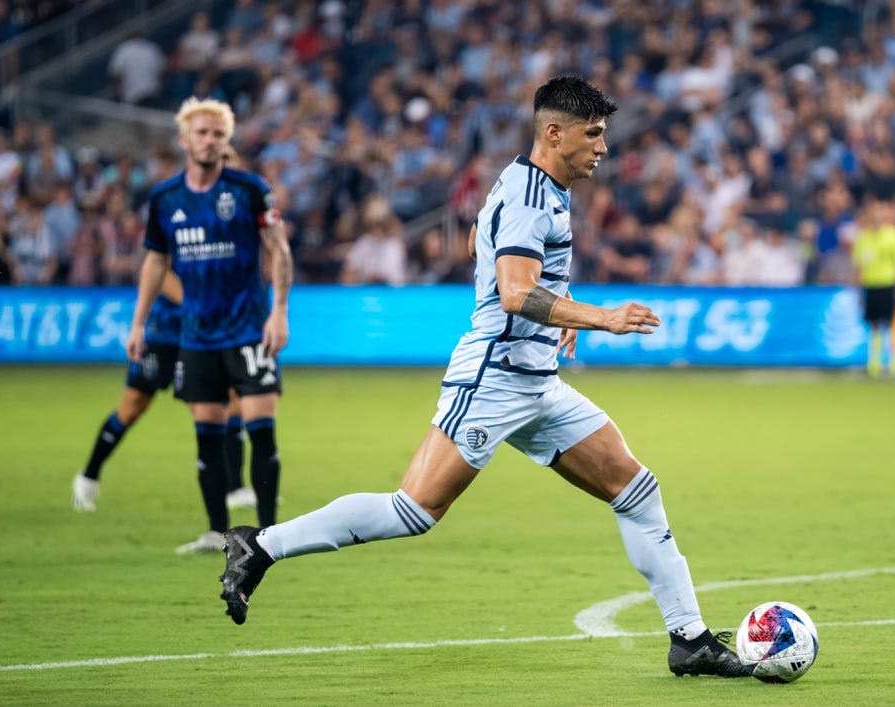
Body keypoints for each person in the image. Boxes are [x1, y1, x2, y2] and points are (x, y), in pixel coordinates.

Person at [218, 76, 749, 679]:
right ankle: (260, 546)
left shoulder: (543, 184)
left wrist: (562, 304)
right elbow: (515, 290)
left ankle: (690, 639)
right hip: (494, 379)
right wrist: (599, 317)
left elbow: (482, 239)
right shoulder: (529, 196)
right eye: (594, 134)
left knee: (637, 491)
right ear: (555, 132)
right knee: (413, 511)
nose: (604, 147)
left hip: (538, 381)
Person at [125, 98, 292, 553]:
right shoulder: (164, 198)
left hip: (249, 331)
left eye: (219, 134)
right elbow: (156, 263)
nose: (211, 140)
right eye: (202, 132)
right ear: (185, 140)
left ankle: (269, 538)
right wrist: (138, 324)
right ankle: (218, 534)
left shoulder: (248, 189)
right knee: (208, 435)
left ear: (227, 141)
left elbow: (278, 249)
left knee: (261, 430)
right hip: (196, 337)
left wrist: (279, 312)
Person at [72, 147, 260, 516]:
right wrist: (199, 302)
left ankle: (233, 487)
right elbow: (157, 268)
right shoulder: (179, 207)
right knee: (133, 406)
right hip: (166, 331)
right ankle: (89, 474)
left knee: (223, 402)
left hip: (207, 333)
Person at [852, 199, 895, 377]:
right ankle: (874, 362)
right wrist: (858, 290)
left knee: (893, 321)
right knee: (875, 324)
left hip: (889, 282)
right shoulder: (863, 238)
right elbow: (859, 267)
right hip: (871, 284)